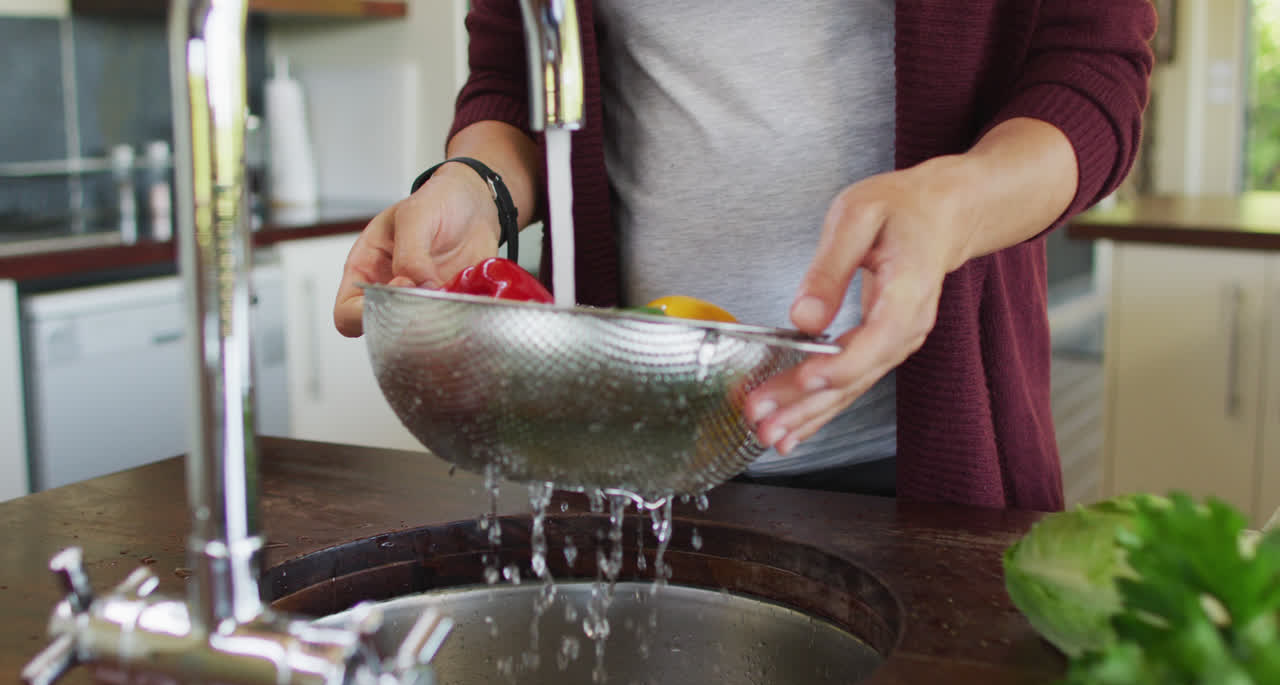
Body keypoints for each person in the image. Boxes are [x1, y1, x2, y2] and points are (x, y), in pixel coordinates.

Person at [334, 0, 1157, 512]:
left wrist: (952, 207)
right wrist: (478, 185)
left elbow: (1092, 73)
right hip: (630, 457)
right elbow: (515, 72)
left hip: (914, 466)